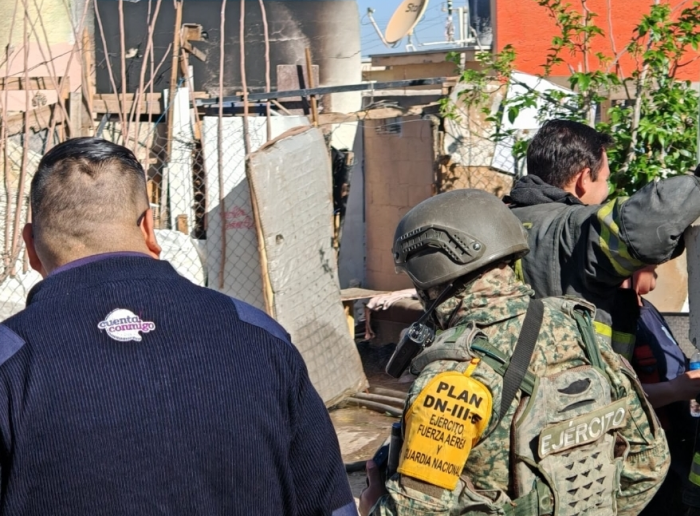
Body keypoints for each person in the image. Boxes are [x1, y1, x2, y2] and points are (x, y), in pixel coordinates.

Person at [0, 137, 356, 516]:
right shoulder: (262, 337)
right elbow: (332, 507)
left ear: (30, 245)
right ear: (148, 227)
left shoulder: (10, 361)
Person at [359, 189, 669, 516]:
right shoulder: (578, 329)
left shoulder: (454, 379)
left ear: (429, 275)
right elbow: (650, 463)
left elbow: (415, 511)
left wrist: (372, 505)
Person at [504, 119, 700, 361]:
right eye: (605, 179)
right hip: (572, 379)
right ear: (584, 178)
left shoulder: (499, 220)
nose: (606, 190)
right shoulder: (573, 229)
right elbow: (644, 224)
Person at [617, 266, 699, 515]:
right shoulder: (615, 315)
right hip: (648, 457)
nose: (657, 264)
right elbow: (614, 393)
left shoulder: (646, 308)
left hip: (677, 446)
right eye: (649, 260)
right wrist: (675, 389)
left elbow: (674, 362)